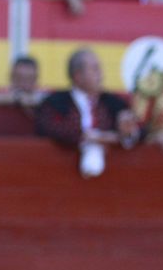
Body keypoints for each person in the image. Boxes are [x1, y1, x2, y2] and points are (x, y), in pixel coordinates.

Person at [36, 47, 143, 175]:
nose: (101, 74)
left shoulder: (114, 103)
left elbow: (141, 130)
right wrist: (86, 136)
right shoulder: (56, 102)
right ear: (78, 76)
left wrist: (125, 133)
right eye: (95, 69)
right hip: (60, 170)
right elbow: (47, 128)